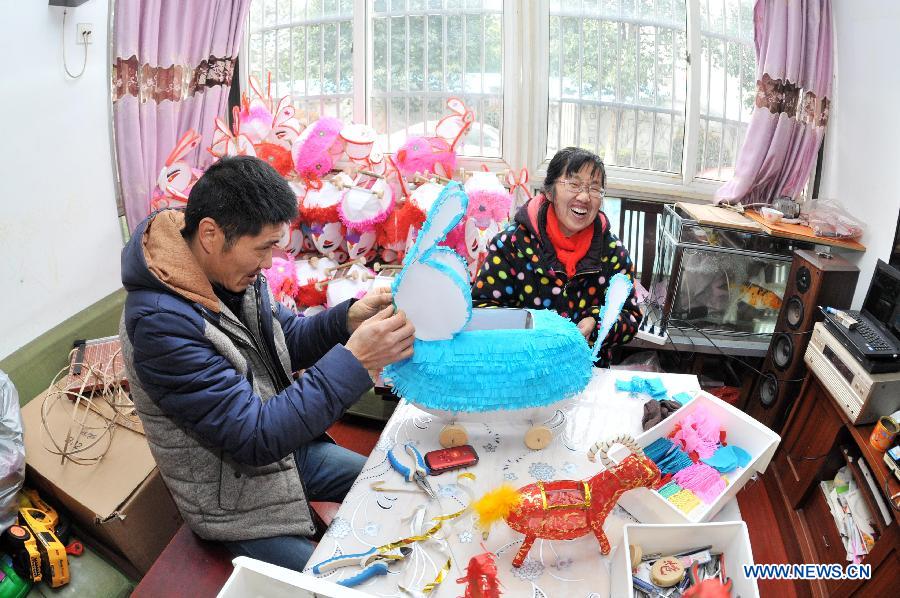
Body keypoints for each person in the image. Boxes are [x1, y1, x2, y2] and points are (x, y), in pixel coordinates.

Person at [119, 155, 414, 571]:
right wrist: (357, 361)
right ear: (209, 234)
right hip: (233, 498)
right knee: (334, 583)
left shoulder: (230, 272)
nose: (269, 263)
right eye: (262, 249)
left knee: (396, 482)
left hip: (286, 452)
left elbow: (283, 340)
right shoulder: (160, 327)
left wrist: (345, 319)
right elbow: (254, 437)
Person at [472, 146, 639, 365]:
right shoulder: (511, 245)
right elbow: (482, 309)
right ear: (550, 192)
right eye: (574, 184)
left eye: (594, 189)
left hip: (585, 373)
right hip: (522, 370)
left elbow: (630, 315)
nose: (584, 196)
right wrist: (531, 332)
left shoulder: (612, 252)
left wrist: (597, 322)